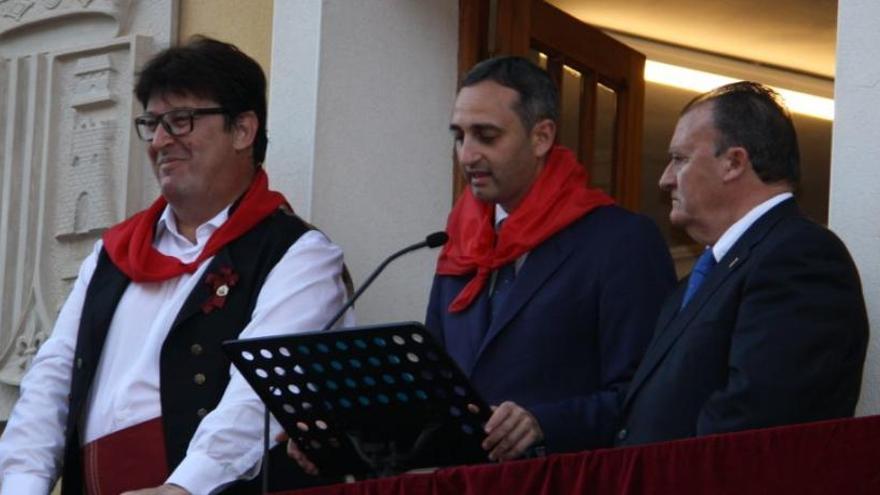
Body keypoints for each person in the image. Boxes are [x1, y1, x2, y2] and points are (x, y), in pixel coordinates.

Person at [0, 37, 351, 494]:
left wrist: (183, 488)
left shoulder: (299, 257)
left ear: (243, 129)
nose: (162, 141)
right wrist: (21, 485)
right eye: (152, 123)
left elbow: (259, 396)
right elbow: (52, 380)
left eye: (181, 121)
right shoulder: (113, 254)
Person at [423, 56, 675, 460]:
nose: (467, 155)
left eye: (486, 136)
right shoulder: (460, 240)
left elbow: (648, 396)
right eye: (459, 136)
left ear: (541, 137)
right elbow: (433, 389)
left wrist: (544, 423)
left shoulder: (620, 241)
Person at [615, 81, 869, 447]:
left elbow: (753, 423)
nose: (665, 179)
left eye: (680, 159)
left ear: (734, 162)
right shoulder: (697, 281)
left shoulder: (800, 257)